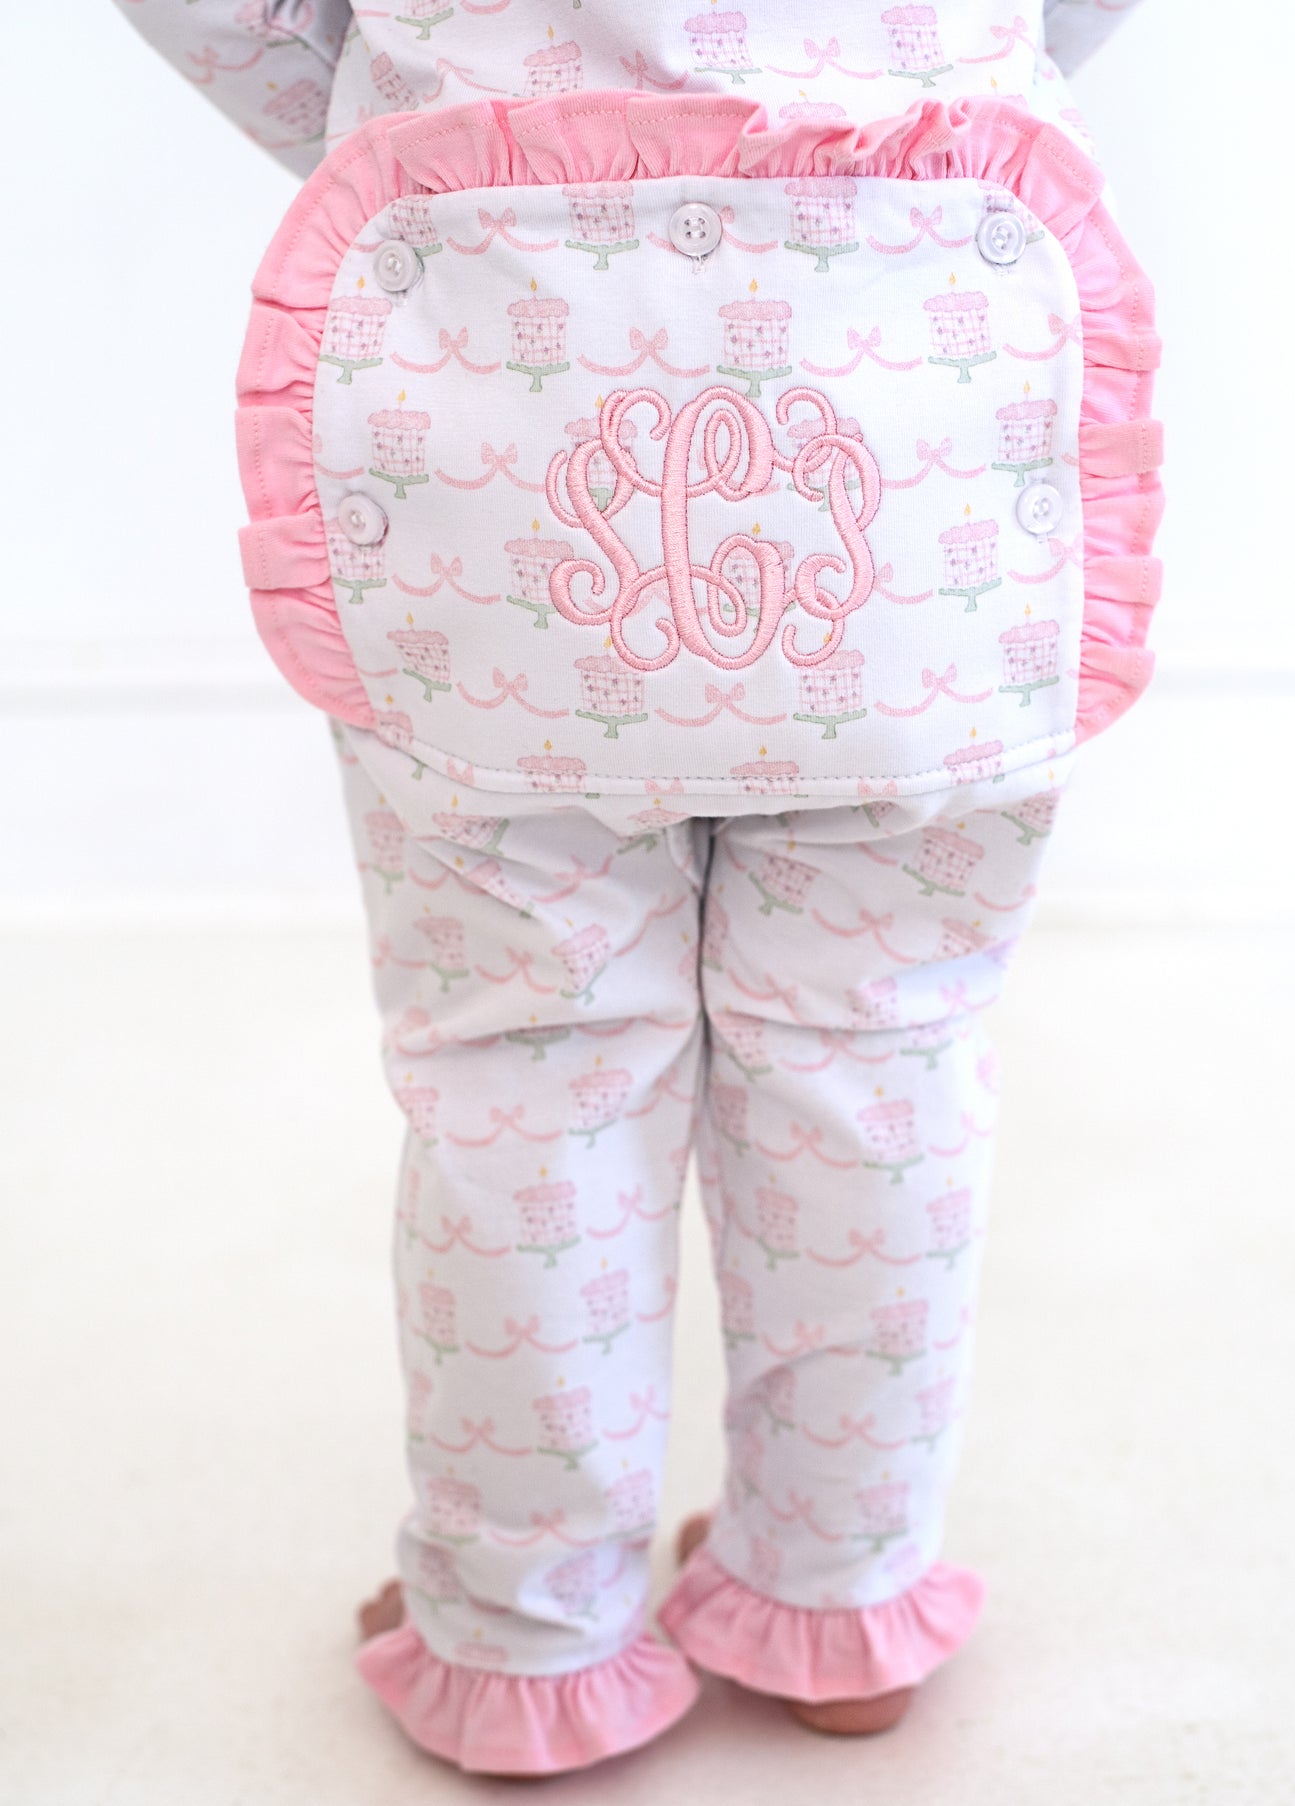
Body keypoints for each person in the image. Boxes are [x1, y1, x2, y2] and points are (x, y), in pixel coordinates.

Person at [114, 0, 1161, 1778]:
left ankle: (523, 1634)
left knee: (524, 1065)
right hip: (910, 357)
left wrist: (414, 130)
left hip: (499, 339)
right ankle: (836, 1594)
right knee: (879, 1047)